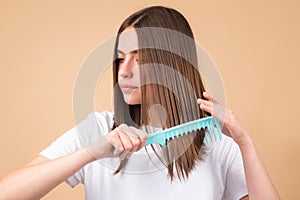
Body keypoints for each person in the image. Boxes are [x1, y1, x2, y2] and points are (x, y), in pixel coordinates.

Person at [0, 6, 280, 200]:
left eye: (140, 58)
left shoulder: (216, 144)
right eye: (121, 58)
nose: (124, 70)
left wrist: (245, 143)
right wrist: (90, 153)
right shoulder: (99, 129)